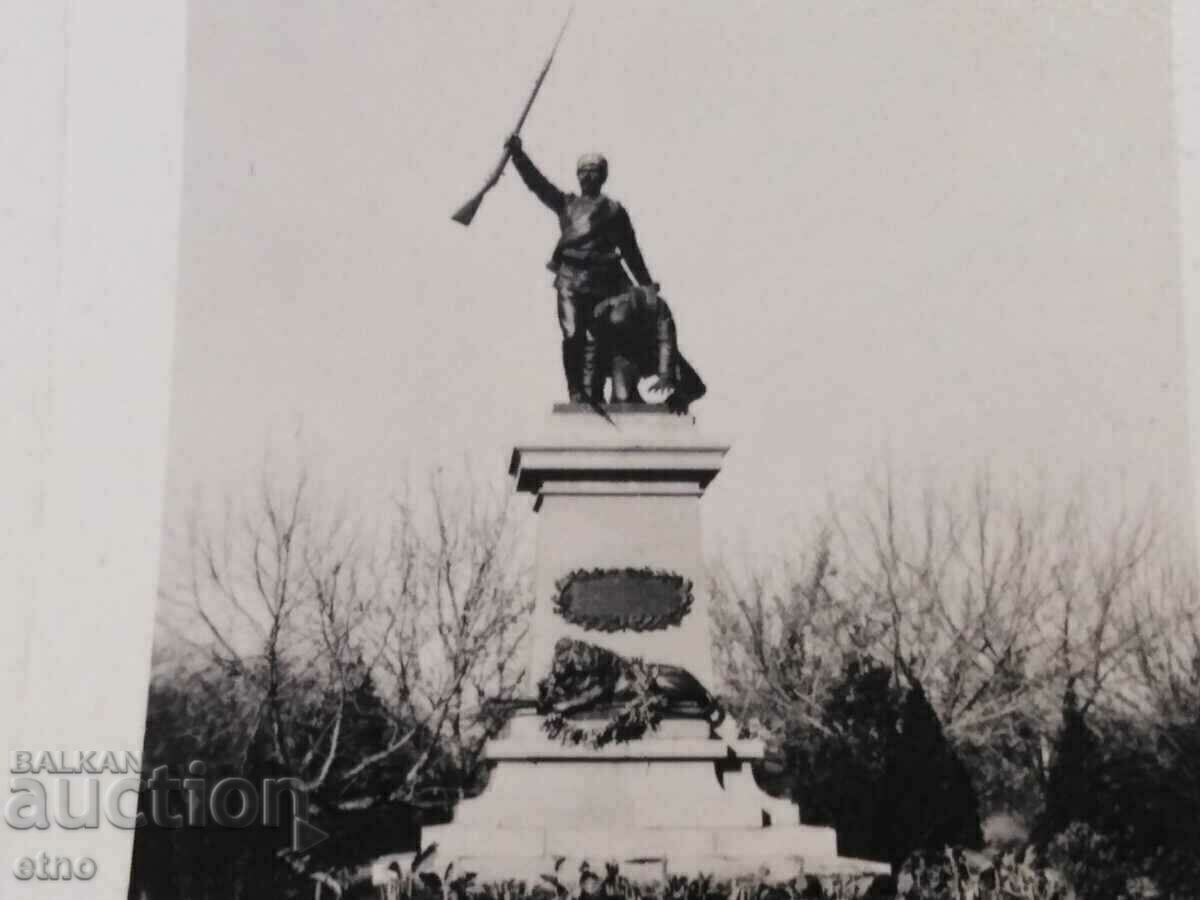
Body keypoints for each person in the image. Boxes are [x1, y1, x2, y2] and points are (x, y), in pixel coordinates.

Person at [505, 134, 656, 403]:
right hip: (569, 280)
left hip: (603, 281)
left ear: (603, 175)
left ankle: (596, 390)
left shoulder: (614, 210)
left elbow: (631, 251)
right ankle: (575, 390)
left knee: (600, 340)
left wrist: (645, 283)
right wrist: (518, 156)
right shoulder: (567, 204)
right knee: (572, 333)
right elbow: (537, 184)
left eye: (593, 171)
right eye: (583, 171)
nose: (587, 176)